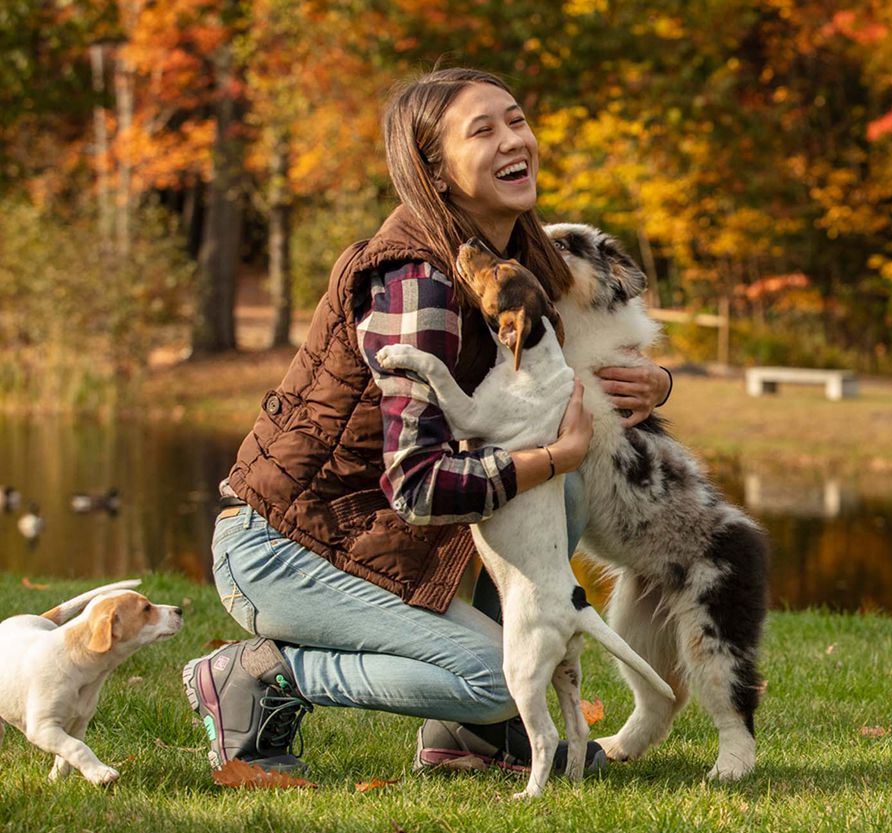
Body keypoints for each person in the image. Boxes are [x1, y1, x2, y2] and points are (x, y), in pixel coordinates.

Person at [183, 67, 672, 777]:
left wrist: (656, 381)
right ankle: (253, 676)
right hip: (283, 551)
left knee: (557, 495)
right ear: (436, 172)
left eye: (516, 119)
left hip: (379, 535)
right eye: (484, 130)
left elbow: (563, 371)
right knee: (489, 676)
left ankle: (469, 739)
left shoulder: (514, 253)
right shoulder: (420, 284)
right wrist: (553, 459)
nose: (515, 140)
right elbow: (416, 483)